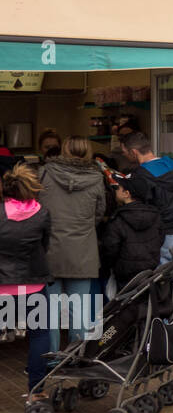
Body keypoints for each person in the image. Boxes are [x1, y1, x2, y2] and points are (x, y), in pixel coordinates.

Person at [121, 132, 173, 335]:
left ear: (134, 152)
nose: (124, 156)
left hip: (161, 236)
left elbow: (144, 210)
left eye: (125, 153)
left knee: (161, 285)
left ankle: (164, 333)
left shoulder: (141, 176)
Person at [37, 136, 106, 347]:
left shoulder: (46, 173)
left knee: (50, 310)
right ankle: (77, 357)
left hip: (50, 248)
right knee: (80, 308)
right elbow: (99, 212)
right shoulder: (96, 177)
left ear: (64, 150)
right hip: (82, 250)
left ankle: (50, 359)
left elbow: (36, 208)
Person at [0, 164, 54, 401]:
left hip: (2, 285)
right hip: (33, 285)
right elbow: (44, 246)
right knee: (39, 335)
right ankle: (37, 390)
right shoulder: (42, 213)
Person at [98, 173, 163, 288]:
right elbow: (160, 240)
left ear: (126, 194)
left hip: (124, 274)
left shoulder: (118, 219)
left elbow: (110, 249)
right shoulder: (156, 216)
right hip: (149, 271)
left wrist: (106, 267)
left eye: (119, 188)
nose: (116, 190)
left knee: (123, 303)